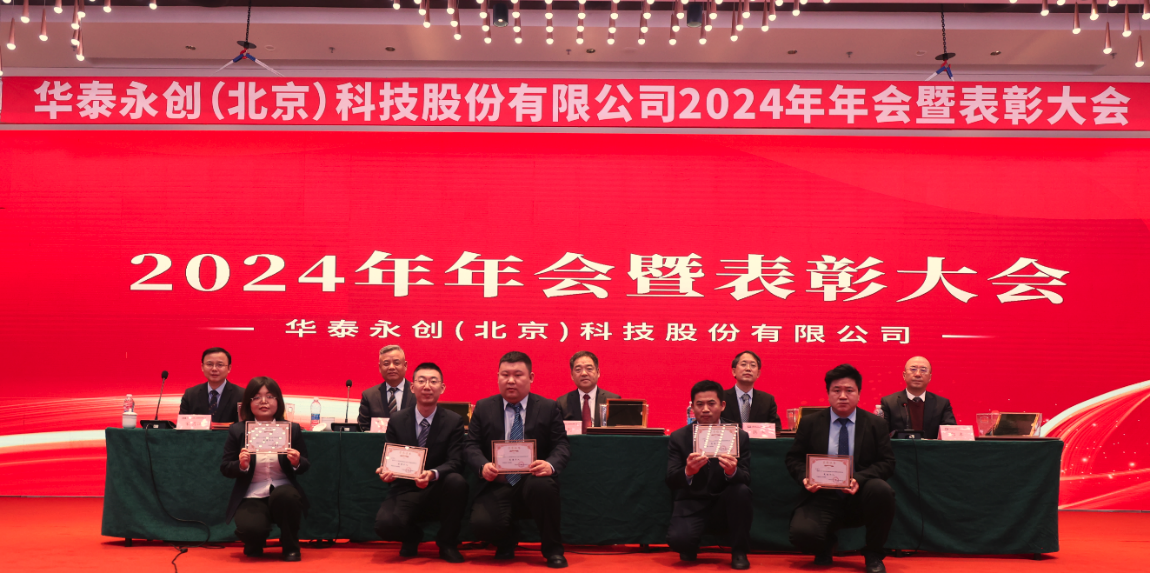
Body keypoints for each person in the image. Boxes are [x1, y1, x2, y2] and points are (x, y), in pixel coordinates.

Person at [464, 351, 570, 569]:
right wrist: (483, 466)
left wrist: (550, 465)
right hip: (497, 481)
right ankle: (506, 541)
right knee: (482, 525)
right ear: (498, 377)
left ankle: (553, 550)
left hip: (532, 479)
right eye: (505, 375)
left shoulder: (548, 407)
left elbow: (561, 445)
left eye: (518, 375)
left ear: (531, 377)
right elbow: (471, 445)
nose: (510, 380)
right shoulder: (483, 407)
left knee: (544, 487)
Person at [786, 364, 895, 573]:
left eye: (849, 390)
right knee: (801, 536)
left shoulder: (876, 424)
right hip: (821, 494)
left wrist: (858, 479)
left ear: (859, 393)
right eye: (836, 390)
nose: (843, 396)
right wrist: (805, 477)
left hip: (860, 494)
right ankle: (825, 544)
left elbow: (887, 462)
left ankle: (873, 553)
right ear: (828, 393)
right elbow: (794, 458)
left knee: (882, 491)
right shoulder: (809, 422)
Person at [374, 362, 468, 563]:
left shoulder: (453, 421)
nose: (427, 386)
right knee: (384, 526)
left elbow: (456, 461)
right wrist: (386, 471)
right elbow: (390, 457)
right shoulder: (397, 419)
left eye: (433, 381)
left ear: (442, 388)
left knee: (457, 481)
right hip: (405, 488)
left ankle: (447, 543)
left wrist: (432, 474)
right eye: (421, 381)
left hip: (437, 488)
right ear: (412, 387)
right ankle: (412, 536)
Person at [220, 377, 310, 562]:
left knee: (286, 495)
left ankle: (291, 545)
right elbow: (225, 468)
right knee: (251, 531)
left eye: (269, 396)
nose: (263, 402)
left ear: (278, 401)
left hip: (283, 490)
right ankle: (255, 540)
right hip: (252, 493)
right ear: (248, 402)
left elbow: (305, 465)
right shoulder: (238, 430)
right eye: (256, 397)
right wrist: (241, 465)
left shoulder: (291, 429)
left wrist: (296, 462)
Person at [666, 380, 752, 570]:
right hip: (692, 502)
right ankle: (690, 543)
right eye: (699, 404)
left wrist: (732, 472)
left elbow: (746, 477)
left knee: (741, 491)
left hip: (725, 501)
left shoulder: (738, 435)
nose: (705, 409)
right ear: (692, 407)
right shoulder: (679, 437)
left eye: (711, 403)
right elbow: (671, 480)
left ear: (722, 405)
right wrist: (688, 472)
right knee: (679, 542)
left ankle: (739, 551)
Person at [879, 356, 956, 439]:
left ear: (930, 377)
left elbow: (951, 434)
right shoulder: (889, 402)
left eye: (923, 370)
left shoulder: (942, 404)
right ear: (904, 375)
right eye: (913, 369)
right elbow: (881, 435)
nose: (918, 374)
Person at [556, 351, 620, 431]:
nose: (584, 373)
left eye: (589, 369)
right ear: (572, 375)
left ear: (598, 372)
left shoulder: (613, 400)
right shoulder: (562, 403)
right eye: (578, 370)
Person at [179, 347, 246, 424]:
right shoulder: (190, 395)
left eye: (220, 365)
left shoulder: (242, 395)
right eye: (209, 364)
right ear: (202, 367)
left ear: (229, 368)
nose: (214, 369)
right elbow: (182, 425)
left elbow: (244, 426)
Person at [357, 345, 416, 429]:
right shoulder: (369, 396)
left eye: (396, 363)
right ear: (380, 367)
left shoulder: (418, 393)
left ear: (405, 365)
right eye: (386, 364)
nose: (391, 367)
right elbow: (363, 428)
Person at [720, 351, 781, 430]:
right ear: (734, 371)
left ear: (758, 373)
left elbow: (776, 429)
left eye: (753, 365)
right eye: (743, 364)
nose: (748, 369)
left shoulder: (767, 400)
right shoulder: (721, 397)